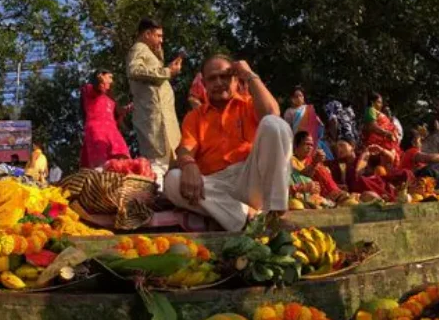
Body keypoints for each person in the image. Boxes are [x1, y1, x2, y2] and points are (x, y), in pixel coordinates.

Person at [164, 55, 291, 231]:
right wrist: (188, 164)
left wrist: (249, 74)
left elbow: (272, 112)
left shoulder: (249, 104)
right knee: (172, 180)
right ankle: (246, 219)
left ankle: (276, 211)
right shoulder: (195, 116)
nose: (218, 82)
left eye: (224, 76)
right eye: (212, 78)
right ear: (205, 84)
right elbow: (185, 149)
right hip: (215, 184)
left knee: (274, 124)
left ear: (235, 79)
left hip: (251, 179)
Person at [126, 18, 182, 185]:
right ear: (147, 33)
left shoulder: (148, 51)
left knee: (169, 163)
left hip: (162, 116)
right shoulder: (139, 48)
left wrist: (161, 59)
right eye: (158, 36)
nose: (161, 40)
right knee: (157, 163)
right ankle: (153, 199)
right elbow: (134, 69)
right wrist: (167, 71)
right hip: (155, 117)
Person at [328, 139, 412, 202]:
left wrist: (382, 150)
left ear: (352, 146)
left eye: (342, 145)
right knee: (359, 180)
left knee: (405, 173)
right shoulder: (337, 166)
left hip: (379, 183)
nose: (339, 149)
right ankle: (390, 199)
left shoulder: (366, 155)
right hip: (362, 192)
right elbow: (340, 183)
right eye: (336, 150)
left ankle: (400, 193)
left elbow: (390, 159)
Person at [79, 69, 131, 169]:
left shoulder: (110, 98)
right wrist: (98, 80)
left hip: (113, 132)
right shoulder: (89, 90)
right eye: (109, 77)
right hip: (97, 131)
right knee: (100, 166)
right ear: (100, 76)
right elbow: (95, 87)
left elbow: (117, 113)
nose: (111, 81)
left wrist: (127, 109)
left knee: (122, 161)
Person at [291, 131, 355, 206]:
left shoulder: (312, 159)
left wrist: (337, 185)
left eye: (311, 145)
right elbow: (302, 176)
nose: (310, 147)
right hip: (315, 195)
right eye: (306, 144)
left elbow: (324, 180)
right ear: (296, 145)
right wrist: (315, 163)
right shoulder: (292, 160)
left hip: (333, 193)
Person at [283, 87, 332, 159]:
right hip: (298, 138)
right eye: (296, 96)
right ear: (292, 99)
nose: (299, 98)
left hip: (311, 137)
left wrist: (319, 124)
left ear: (303, 98)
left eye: (301, 96)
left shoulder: (309, 109)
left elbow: (317, 122)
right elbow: (287, 127)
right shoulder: (289, 111)